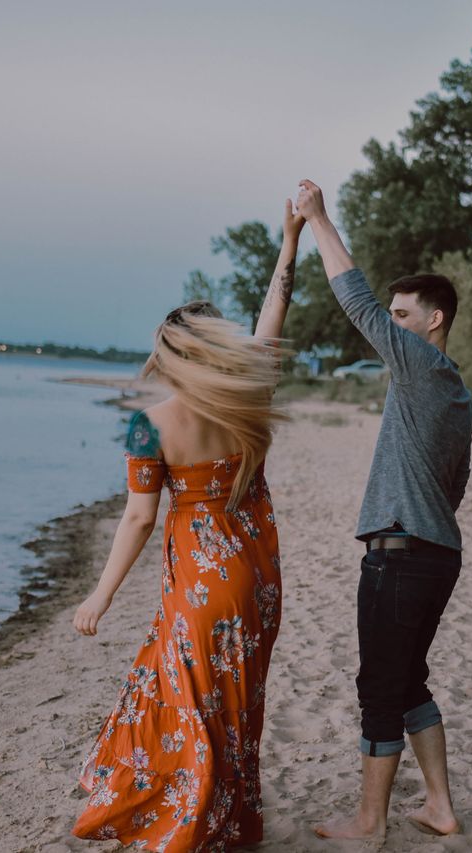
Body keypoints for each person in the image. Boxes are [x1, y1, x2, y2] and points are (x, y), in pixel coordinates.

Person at [70, 199, 304, 849]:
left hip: (201, 578)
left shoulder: (151, 422)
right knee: (234, 703)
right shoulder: (249, 398)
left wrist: (101, 593)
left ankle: (192, 819)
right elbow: (274, 315)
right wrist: (289, 242)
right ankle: (229, 815)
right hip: (257, 575)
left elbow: (141, 516)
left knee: (184, 697)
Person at [295, 179, 472, 840]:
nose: (392, 325)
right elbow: (455, 487)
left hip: (400, 557)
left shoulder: (419, 363)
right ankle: (440, 805)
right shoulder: (459, 393)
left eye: (405, 314)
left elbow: (356, 300)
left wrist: (319, 219)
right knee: (408, 681)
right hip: (439, 555)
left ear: (434, 320)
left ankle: (369, 822)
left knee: (378, 690)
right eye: (396, 316)